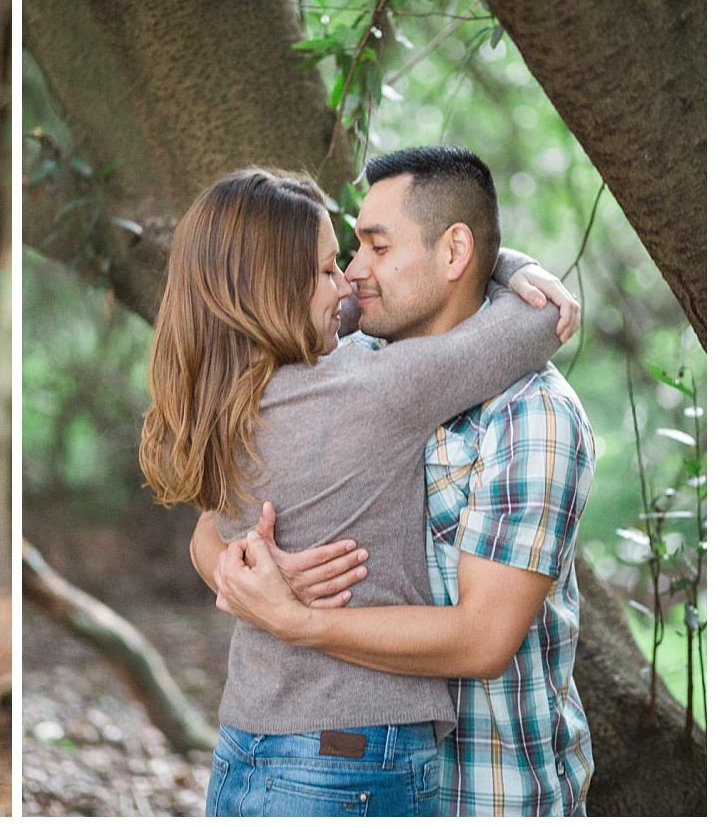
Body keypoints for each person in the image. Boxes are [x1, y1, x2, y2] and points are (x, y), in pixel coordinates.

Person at [141, 162, 578, 817]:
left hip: (245, 745)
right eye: (327, 268)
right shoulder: (368, 388)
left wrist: (247, 578)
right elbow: (545, 320)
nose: (348, 279)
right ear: (274, 289)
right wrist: (509, 266)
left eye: (371, 249)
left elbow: (210, 532)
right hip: (352, 755)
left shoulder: (224, 396)